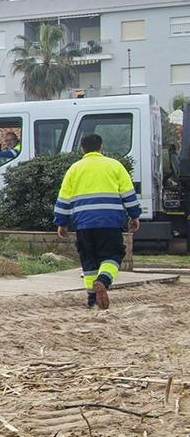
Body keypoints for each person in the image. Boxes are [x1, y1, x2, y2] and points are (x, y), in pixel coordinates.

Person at [54, 132, 141, 309]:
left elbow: (63, 199)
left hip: (83, 224)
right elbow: (128, 195)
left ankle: (92, 300)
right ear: (101, 147)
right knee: (113, 255)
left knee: (89, 260)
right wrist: (134, 215)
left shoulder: (74, 169)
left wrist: (62, 223)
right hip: (110, 222)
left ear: (82, 149)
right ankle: (103, 281)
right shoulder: (115, 166)